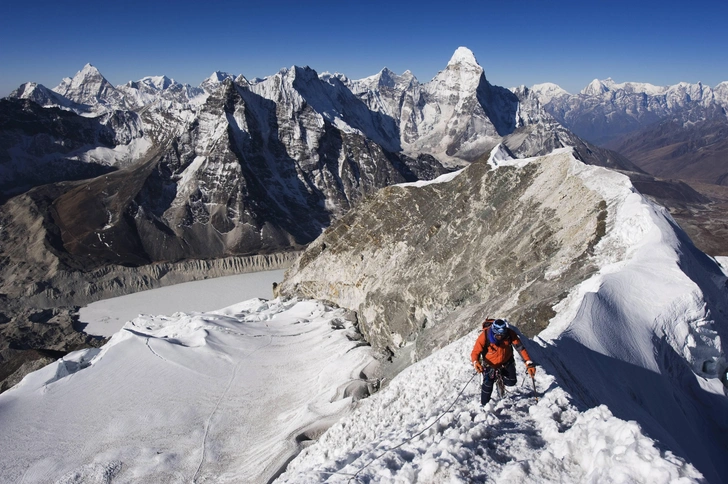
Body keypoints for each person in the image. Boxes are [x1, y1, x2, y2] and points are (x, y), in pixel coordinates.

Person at [470, 318, 536, 406]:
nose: (500, 337)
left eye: (502, 335)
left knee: (511, 381)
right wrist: (476, 362)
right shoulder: (484, 336)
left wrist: (528, 362)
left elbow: (520, 348)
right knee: (488, 384)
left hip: (506, 361)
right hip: (490, 364)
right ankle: (484, 405)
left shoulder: (510, 334)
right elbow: (475, 352)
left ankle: (499, 379)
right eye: (498, 335)